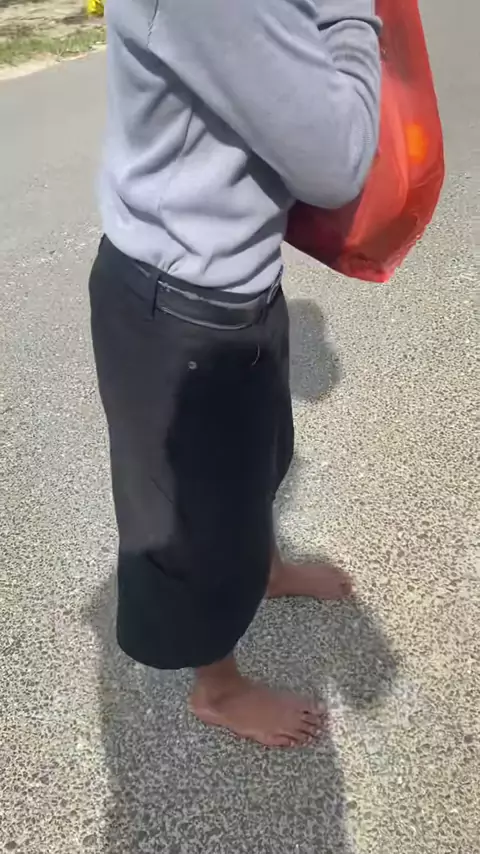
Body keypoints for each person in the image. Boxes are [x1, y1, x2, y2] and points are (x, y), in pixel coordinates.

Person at [89, 0, 382, 748]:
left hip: (233, 275)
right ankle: (218, 689)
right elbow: (337, 164)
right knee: (193, 522)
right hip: (178, 299)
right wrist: (352, 13)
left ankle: (265, 570)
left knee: (259, 460)